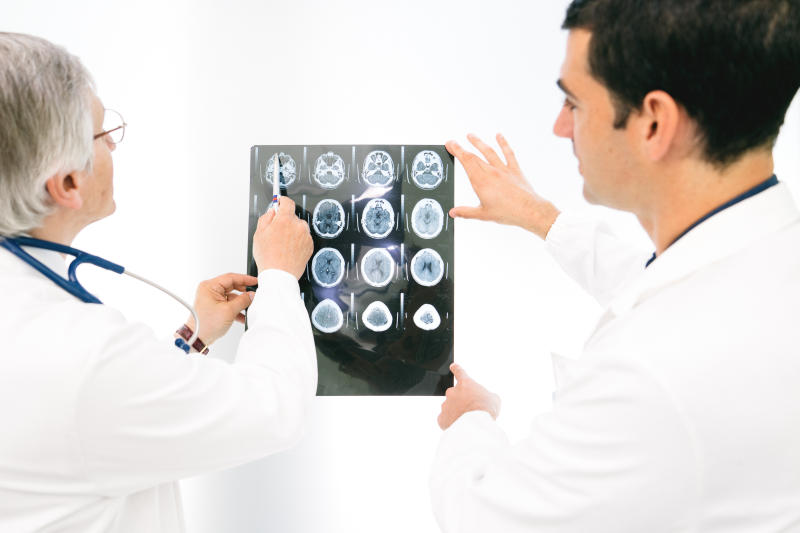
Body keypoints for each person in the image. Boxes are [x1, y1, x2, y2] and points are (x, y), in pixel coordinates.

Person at [431, 1, 800, 531]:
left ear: (653, 123)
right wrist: (542, 218)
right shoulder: (765, 257)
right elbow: (666, 288)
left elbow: (483, 517)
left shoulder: (649, 377)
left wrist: (471, 421)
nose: (561, 128)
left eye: (573, 103)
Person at [0, 33, 317, 532]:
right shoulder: (80, 358)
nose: (111, 145)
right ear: (66, 185)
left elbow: (104, 422)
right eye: (102, 134)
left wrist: (193, 337)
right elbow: (275, 410)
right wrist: (278, 274)